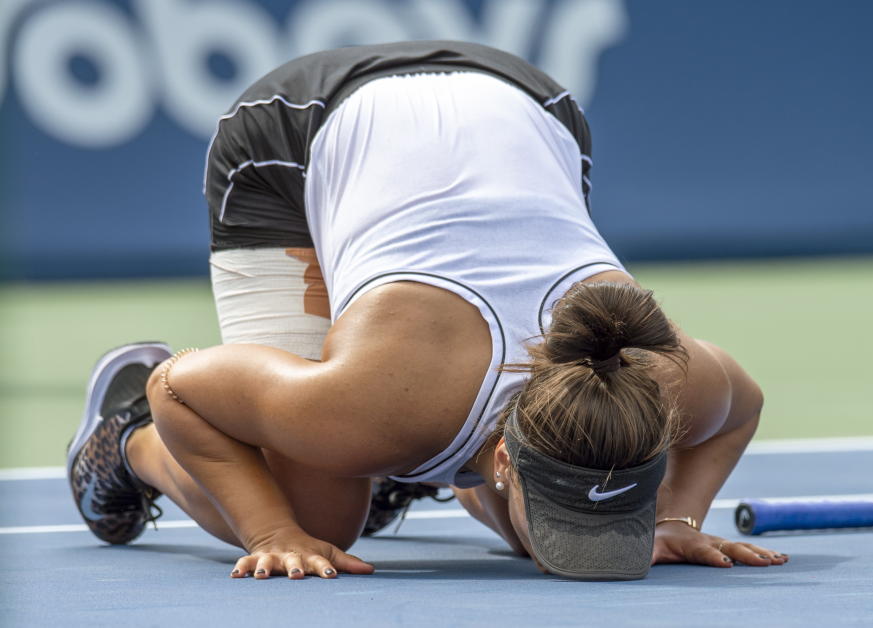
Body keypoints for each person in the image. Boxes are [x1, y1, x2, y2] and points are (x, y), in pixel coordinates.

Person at [67, 41, 787, 580]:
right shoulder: (367, 399)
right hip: (295, 133)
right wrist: (268, 532)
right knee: (319, 517)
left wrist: (673, 516)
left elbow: (745, 404)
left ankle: (407, 465)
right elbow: (182, 389)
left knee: (511, 529)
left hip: (528, 105)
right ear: (505, 456)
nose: (592, 542)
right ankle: (124, 441)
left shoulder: (661, 382)